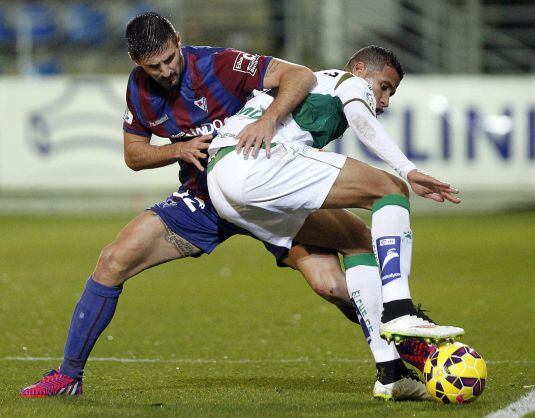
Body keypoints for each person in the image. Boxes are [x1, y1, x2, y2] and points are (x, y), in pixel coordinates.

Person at [19, 14, 427, 401]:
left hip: (265, 182)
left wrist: (267, 121)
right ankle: (67, 376)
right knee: (112, 261)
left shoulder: (219, 63)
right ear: (136, 62)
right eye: (153, 66)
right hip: (204, 200)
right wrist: (178, 149)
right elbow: (134, 154)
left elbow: (298, 76)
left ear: (179, 42)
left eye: (168, 59)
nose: (164, 71)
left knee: (334, 285)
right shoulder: (139, 90)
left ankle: (412, 355)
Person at [207, 45, 465, 348]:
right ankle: (399, 308)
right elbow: (360, 117)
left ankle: (391, 372)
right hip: (253, 162)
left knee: (354, 242)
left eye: (391, 94)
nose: (384, 100)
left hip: (222, 187)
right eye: (384, 87)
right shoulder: (348, 82)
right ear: (358, 69)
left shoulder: (316, 89)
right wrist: (407, 170)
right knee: (391, 189)